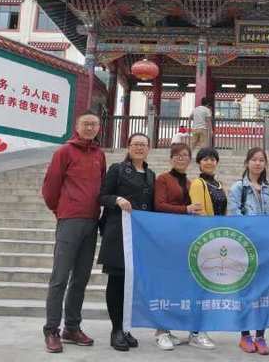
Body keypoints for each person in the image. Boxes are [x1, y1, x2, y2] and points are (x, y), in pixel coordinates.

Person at [41, 110, 106, 353]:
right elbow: (50, 187)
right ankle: (51, 330)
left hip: (91, 221)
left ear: (99, 128)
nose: (90, 128)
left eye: (94, 125)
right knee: (60, 278)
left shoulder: (100, 154)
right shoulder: (64, 152)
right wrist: (61, 210)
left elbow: (101, 184)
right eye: (86, 124)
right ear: (77, 127)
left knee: (81, 278)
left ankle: (72, 327)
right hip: (69, 220)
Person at [98, 132, 155, 351]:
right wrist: (117, 199)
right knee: (117, 282)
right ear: (128, 147)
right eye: (136, 144)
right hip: (117, 234)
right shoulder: (117, 169)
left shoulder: (150, 174)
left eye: (143, 144)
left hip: (138, 237)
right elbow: (102, 196)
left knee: (131, 285)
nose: (140, 148)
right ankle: (116, 330)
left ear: (148, 148)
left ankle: (126, 327)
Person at [154, 142, 202, 350]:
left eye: (185, 155)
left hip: (186, 240)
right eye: (177, 155)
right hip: (167, 238)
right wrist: (186, 209)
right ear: (171, 158)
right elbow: (159, 205)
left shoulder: (192, 183)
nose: (181, 158)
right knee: (166, 284)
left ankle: (173, 330)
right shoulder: (163, 179)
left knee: (182, 286)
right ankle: (161, 331)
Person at [228, 147, 269, 355]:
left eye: (261, 160)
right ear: (247, 163)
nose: (257, 163)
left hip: (266, 247)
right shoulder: (239, 188)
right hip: (244, 248)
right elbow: (233, 214)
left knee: (264, 292)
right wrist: (253, 228)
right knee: (245, 291)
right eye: (254, 160)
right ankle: (245, 335)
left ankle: (261, 336)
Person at [187, 147, 227, 349]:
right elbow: (198, 212)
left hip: (217, 240)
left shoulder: (219, 185)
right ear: (199, 163)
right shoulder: (198, 183)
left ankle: (201, 329)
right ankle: (195, 332)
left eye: (213, 159)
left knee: (209, 288)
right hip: (204, 241)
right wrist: (210, 238)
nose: (209, 162)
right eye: (205, 159)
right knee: (200, 288)